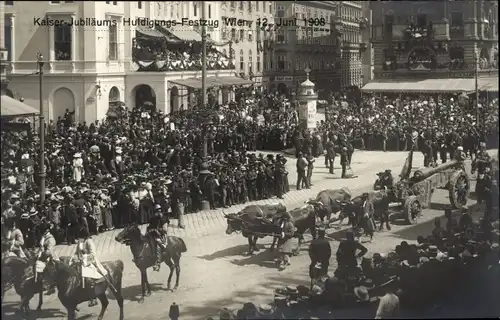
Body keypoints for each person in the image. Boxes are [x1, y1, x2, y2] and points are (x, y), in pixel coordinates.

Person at [71, 228, 108, 307]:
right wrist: (74, 258)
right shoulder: (80, 242)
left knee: (87, 278)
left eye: (81, 237)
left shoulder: (89, 242)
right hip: (79, 262)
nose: (79, 239)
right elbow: (76, 252)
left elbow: (93, 254)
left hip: (89, 262)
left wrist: (84, 258)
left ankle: (93, 297)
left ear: (84, 236)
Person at [147, 204, 170, 271]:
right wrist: (149, 230)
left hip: (160, 236)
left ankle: (157, 264)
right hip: (152, 235)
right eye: (156, 211)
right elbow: (149, 227)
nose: (158, 212)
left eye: (159, 210)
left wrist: (157, 230)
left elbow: (165, 230)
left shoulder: (164, 218)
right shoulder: (152, 218)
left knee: (157, 247)